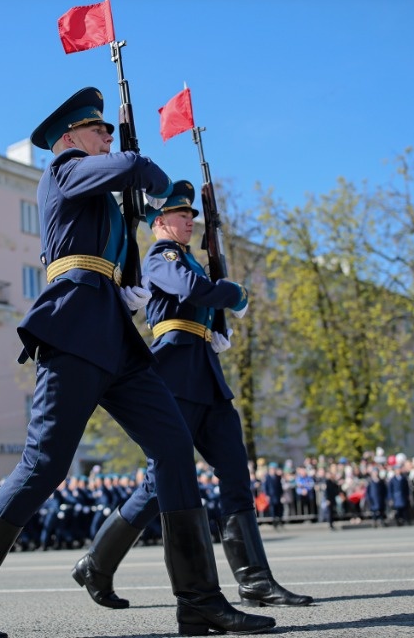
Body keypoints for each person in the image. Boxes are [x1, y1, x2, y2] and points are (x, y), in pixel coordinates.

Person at [0, 87, 274, 637]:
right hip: (73, 326)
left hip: (114, 336)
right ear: (69, 138)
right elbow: (140, 168)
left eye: (111, 130)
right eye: (98, 130)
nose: (108, 137)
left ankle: (199, 600)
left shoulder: (101, 200)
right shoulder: (62, 171)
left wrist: (129, 265)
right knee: (44, 465)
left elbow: (124, 234)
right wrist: (142, 172)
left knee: (173, 447)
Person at [72, 180, 311, 611]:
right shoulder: (160, 257)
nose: (189, 222)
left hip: (206, 375)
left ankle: (255, 580)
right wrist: (233, 293)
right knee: (158, 483)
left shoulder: (190, 261)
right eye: (181, 215)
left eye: (190, 216)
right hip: (175, 375)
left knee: (235, 472)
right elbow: (191, 291)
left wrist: (215, 324)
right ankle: (97, 563)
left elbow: (199, 298)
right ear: (159, 221)